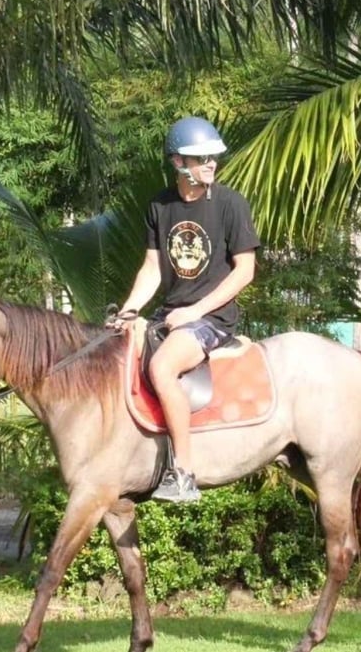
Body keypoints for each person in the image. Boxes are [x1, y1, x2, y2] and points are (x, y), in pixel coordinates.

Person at [107, 115, 260, 502]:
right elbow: (152, 267)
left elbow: (245, 271)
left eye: (213, 157)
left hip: (212, 318)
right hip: (172, 314)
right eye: (201, 158)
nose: (211, 163)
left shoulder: (230, 204)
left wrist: (196, 312)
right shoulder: (160, 206)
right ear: (178, 163)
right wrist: (129, 310)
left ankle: (185, 474)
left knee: (161, 367)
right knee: (114, 353)